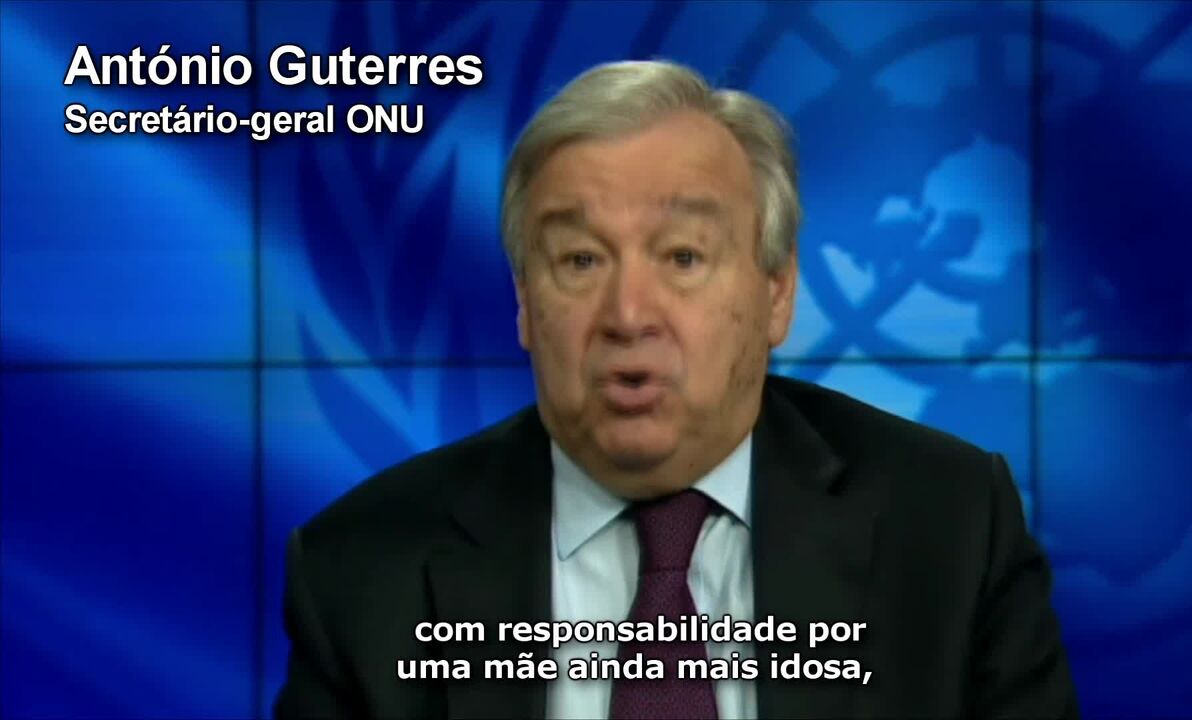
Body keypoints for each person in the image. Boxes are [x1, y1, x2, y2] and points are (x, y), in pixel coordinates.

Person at [274, 60, 1078, 720]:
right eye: (580, 261)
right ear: (524, 302)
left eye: (684, 257)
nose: (629, 315)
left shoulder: (951, 526)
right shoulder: (361, 570)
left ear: (776, 291)